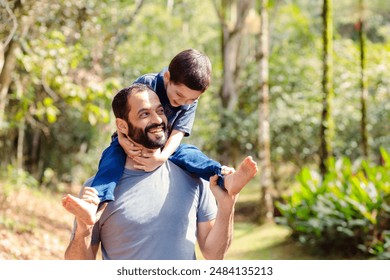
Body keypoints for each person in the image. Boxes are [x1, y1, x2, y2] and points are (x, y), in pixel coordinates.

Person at [63, 84, 258, 260]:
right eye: (144, 114)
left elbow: (214, 254)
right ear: (122, 126)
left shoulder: (194, 175)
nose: (157, 119)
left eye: (160, 111)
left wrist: (227, 206)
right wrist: (83, 230)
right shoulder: (97, 192)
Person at [64, 48, 254, 226]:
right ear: (167, 77)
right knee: (110, 162)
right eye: (179, 95)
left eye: (191, 100)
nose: (183, 103)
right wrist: (122, 140)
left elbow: (179, 132)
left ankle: (226, 180)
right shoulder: (146, 84)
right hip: (130, 138)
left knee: (191, 155)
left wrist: (161, 158)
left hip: (164, 144)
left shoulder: (189, 102)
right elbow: (125, 115)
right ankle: (93, 205)